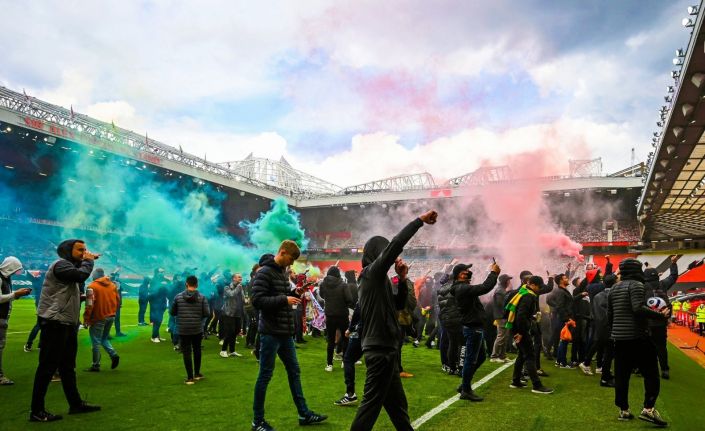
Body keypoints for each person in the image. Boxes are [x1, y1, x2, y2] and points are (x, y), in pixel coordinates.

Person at [350, 210, 437, 431]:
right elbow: (396, 244)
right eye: (384, 252)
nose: (391, 257)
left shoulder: (380, 280)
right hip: (379, 350)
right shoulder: (372, 273)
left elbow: (398, 305)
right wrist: (419, 221)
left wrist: (403, 278)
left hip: (386, 347)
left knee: (398, 407)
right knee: (370, 407)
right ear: (378, 253)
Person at [251, 240, 327, 431]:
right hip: (270, 333)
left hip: (284, 333)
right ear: (282, 253)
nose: (292, 264)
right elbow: (257, 300)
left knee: (294, 372)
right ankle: (257, 422)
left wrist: (296, 291)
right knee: (265, 376)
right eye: (291, 259)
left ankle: (304, 413)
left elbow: (284, 294)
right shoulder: (264, 272)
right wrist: (284, 299)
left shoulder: (281, 273)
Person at [30, 239, 101, 422]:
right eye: (80, 249)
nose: (84, 252)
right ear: (67, 250)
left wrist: (82, 297)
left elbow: (68, 289)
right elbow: (80, 276)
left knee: (68, 367)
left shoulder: (70, 268)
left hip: (67, 323)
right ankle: (36, 411)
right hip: (55, 322)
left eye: (85, 249)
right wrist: (89, 261)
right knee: (47, 367)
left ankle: (75, 404)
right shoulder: (61, 265)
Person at [608, 258, 669, 426]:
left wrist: (614, 333)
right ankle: (648, 409)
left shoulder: (613, 288)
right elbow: (637, 308)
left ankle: (624, 410)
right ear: (636, 270)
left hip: (619, 339)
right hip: (638, 337)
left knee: (622, 376)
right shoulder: (636, 285)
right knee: (651, 374)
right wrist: (660, 315)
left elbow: (610, 315)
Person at [450, 262, 499, 401]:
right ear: (460, 274)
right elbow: (485, 287)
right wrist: (494, 273)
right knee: (470, 360)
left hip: (474, 326)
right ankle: (466, 390)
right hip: (472, 327)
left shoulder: (460, 287)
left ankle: (464, 384)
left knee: (481, 357)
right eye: (466, 270)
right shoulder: (461, 288)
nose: (469, 272)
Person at [506, 275, 553, 394]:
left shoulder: (522, 291)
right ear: (532, 285)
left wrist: (531, 317)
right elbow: (521, 316)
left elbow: (519, 313)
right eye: (538, 287)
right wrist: (521, 333)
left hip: (516, 328)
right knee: (530, 355)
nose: (539, 289)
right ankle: (537, 385)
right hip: (520, 330)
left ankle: (516, 381)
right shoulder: (528, 296)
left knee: (522, 354)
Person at [643, 255, 679, 379]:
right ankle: (664, 370)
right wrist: (673, 263)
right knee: (661, 347)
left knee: (646, 347)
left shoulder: (641, 286)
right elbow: (673, 277)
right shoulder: (662, 284)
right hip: (660, 323)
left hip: (646, 323)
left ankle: (642, 368)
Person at [171, 275, 210, 384]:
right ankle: (197, 373)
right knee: (197, 350)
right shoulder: (202, 297)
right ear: (197, 285)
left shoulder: (178, 297)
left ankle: (189, 378)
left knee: (186, 352)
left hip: (183, 328)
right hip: (197, 328)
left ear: (186, 284)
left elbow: (172, 312)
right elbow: (207, 313)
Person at [1, 256, 32, 385]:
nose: (15, 272)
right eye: (15, 269)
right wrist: (15, 294)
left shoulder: (5, 278)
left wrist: (17, 295)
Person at [83, 268, 120, 372]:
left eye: (92, 274)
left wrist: (86, 319)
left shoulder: (91, 287)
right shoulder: (113, 285)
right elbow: (118, 300)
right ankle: (113, 354)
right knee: (104, 338)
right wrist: (113, 312)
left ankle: (95, 365)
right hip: (111, 316)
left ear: (95, 275)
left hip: (98, 317)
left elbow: (89, 305)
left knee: (95, 341)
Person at [320, 266, 353, 372]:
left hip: (330, 315)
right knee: (345, 338)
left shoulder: (323, 284)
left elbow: (322, 295)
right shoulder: (343, 284)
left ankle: (329, 364)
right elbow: (350, 299)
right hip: (342, 315)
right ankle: (344, 361)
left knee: (330, 340)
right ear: (338, 274)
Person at [335, 303, 363, 406]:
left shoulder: (366, 291)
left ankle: (350, 393)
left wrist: (351, 328)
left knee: (348, 359)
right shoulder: (384, 292)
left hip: (362, 330)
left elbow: (358, 312)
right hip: (378, 331)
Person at [437, 273, 463, 374]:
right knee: (447, 341)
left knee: (450, 341)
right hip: (448, 316)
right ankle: (446, 363)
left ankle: (450, 363)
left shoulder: (444, 287)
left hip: (445, 316)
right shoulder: (453, 288)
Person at [547, 273, 573, 362]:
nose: (567, 279)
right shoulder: (558, 290)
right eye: (565, 278)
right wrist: (564, 316)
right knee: (556, 335)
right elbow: (549, 300)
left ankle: (554, 352)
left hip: (560, 316)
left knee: (557, 335)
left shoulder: (562, 290)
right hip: (559, 317)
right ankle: (551, 353)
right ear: (561, 281)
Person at [221, 273, 245, 358]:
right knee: (230, 332)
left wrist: (245, 300)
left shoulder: (240, 287)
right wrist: (239, 288)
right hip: (229, 313)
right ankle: (223, 350)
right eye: (239, 277)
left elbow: (242, 299)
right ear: (233, 279)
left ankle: (232, 351)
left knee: (236, 331)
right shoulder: (227, 287)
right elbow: (231, 294)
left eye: (241, 277)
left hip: (238, 313)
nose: (241, 278)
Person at [490, 274, 513, 363]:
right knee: (501, 336)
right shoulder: (500, 291)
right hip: (501, 316)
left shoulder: (502, 290)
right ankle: (494, 356)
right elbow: (501, 304)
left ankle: (502, 356)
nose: (509, 282)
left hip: (503, 316)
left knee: (505, 337)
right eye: (508, 280)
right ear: (505, 281)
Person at [24, 270, 44, 352]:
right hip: (47, 303)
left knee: (40, 324)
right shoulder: (45, 278)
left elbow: (29, 275)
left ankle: (31, 344)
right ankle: (38, 344)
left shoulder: (37, 280)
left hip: (40, 303)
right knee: (43, 324)